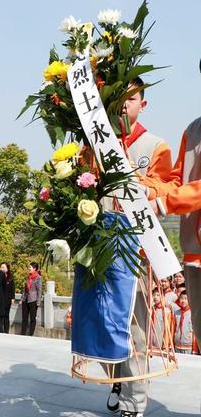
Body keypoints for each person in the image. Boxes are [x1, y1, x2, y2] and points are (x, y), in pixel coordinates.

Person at [104, 78, 173, 417]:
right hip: (101, 249)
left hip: (136, 254)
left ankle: (135, 400)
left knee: (135, 329)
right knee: (103, 323)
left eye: (130, 100)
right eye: (118, 100)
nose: (123, 106)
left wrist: (139, 183)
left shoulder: (155, 145)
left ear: (141, 104)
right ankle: (117, 381)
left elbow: (165, 187)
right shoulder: (98, 146)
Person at [149, 106, 201, 351]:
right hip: (192, 256)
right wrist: (147, 192)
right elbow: (176, 180)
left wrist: (163, 203)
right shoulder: (192, 130)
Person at [19, 262, 42, 336]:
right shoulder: (28, 276)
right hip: (25, 299)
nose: (28, 268)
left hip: (33, 300)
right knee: (24, 318)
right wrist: (22, 299)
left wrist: (38, 302)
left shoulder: (38, 277)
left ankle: (30, 334)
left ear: (34, 269)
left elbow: (39, 290)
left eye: (30, 267)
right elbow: (24, 289)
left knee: (32, 318)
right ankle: (23, 333)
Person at [0, 262, 15, 333]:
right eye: (1, 267)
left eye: (3, 267)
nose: (2, 269)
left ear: (7, 269)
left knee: (6, 315)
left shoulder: (10, 278)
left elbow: (13, 289)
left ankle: (6, 331)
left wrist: (12, 298)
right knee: (0, 316)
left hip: (7, 300)